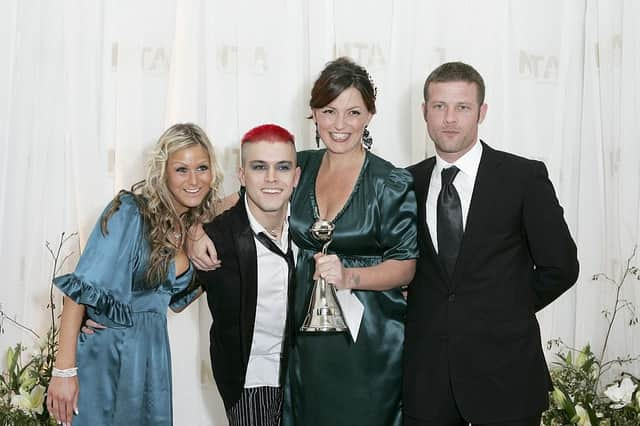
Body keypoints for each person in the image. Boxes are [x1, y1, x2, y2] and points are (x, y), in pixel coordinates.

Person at [188, 57, 418, 426]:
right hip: (305, 346)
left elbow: (406, 264)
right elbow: (235, 201)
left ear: (370, 116)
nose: (340, 125)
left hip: (369, 345)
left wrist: (350, 277)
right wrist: (196, 230)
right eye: (329, 111)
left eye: (353, 112)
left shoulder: (390, 182)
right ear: (314, 113)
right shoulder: (300, 166)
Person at [404, 61, 580, 426]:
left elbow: (561, 266)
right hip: (428, 384)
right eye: (439, 107)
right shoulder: (406, 183)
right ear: (424, 112)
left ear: (481, 112)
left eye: (462, 107)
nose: (449, 118)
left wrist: (505, 307)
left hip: (507, 377)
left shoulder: (523, 178)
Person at [46, 123, 223, 426]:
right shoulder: (129, 212)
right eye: (181, 169)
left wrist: (199, 228)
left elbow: (245, 199)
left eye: (202, 168)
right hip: (108, 352)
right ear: (163, 172)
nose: (194, 180)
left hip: (152, 357)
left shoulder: (195, 230)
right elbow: (79, 291)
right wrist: (64, 370)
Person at [197, 124, 300, 426]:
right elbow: (166, 289)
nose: (271, 178)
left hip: (311, 381)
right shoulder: (216, 237)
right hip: (249, 385)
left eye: (282, 167)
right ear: (241, 175)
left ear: (296, 176)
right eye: (259, 167)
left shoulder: (313, 226)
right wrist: (96, 315)